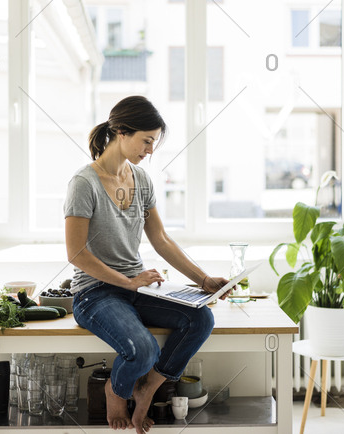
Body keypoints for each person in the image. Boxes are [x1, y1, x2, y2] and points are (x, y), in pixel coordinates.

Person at [64, 96, 230, 434]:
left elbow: (162, 240)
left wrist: (204, 279)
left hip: (135, 287)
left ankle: (146, 388)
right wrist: (126, 282)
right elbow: (77, 254)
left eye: (154, 142)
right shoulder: (84, 184)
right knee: (143, 349)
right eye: (147, 141)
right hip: (94, 294)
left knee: (200, 318)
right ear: (122, 132)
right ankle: (116, 390)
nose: (150, 150)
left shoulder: (141, 180)